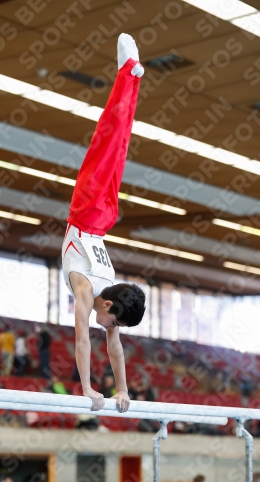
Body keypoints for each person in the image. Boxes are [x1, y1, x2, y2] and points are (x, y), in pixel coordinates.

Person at [62, 33, 145, 413]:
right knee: (110, 138)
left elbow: (114, 348)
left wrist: (122, 390)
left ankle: (133, 76)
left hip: (103, 217)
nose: (105, 324)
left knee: (120, 142)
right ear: (108, 303)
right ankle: (128, 73)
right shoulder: (84, 290)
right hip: (89, 211)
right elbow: (82, 340)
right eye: (110, 319)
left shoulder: (106, 297)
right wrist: (86, 389)